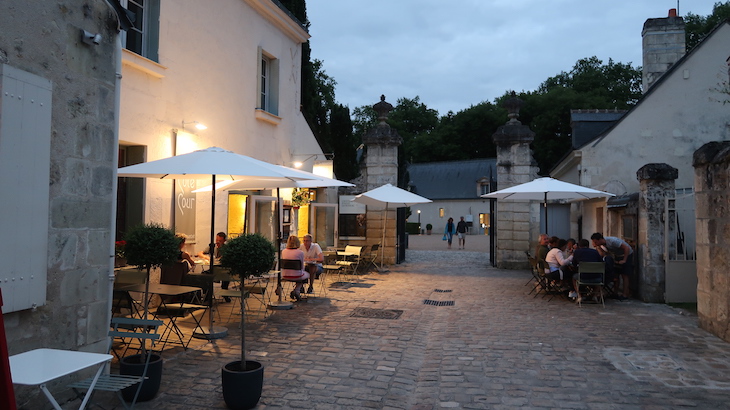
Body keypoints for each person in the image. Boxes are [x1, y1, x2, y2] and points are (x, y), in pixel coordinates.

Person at [591, 232, 633, 300]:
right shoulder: (602, 245)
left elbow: (627, 248)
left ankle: (625, 294)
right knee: (616, 274)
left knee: (624, 275)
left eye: (595, 242)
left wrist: (624, 260)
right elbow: (602, 254)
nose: (595, 243)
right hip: (617, 255)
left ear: (600, 240)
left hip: (626, 254)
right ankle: (615, 293)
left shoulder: (613, 241)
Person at [197, 232, 230, 300]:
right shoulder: (212, 246)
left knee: (226, 273)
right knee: (203, 275)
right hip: (213, 269)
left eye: (220, 241)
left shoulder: (226, 248)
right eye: (216, 240)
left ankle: (224, 292)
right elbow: (200, 253)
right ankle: (207, 294)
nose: (217, 242)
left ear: (224, 241)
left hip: (223, 269)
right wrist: (206, 257)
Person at [281, 235, 309, 301]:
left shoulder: (283, 251)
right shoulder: (300, 253)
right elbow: (302, 267)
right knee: (306, 274)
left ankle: (297, 291)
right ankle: (297, 290)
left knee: (301, 273)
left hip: (284, 275)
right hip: (297, 275)